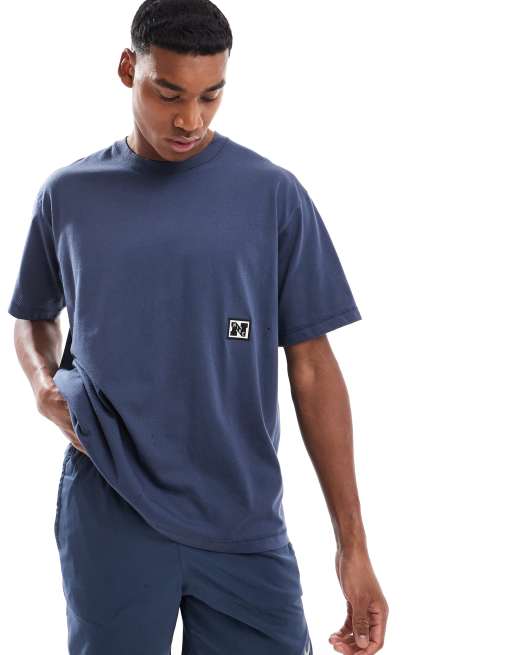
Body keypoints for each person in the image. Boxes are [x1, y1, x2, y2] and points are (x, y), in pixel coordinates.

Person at [7, 1, 388, 653]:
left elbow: (312, 367)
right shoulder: (68, 194)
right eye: (169, 94)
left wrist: (352, 547)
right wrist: (44, 387)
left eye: (211, 95)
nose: (190, 119)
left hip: (241, 518)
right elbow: (33, 314)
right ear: (128, 69)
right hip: (111, 508)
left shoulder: (272, 194)